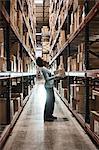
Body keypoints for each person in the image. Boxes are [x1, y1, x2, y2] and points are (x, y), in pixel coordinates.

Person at [36, 57, 58, 121]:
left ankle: (49, 115)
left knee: (51, 101)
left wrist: (54, 76)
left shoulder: (44, 68)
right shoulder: (43, 69)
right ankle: (47, 116)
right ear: (41, 62)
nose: (44, 61)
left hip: (50, 86)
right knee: (49, 101)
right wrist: (55, 76)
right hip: (48, 86)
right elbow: (47, 79)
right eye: (42, 60)